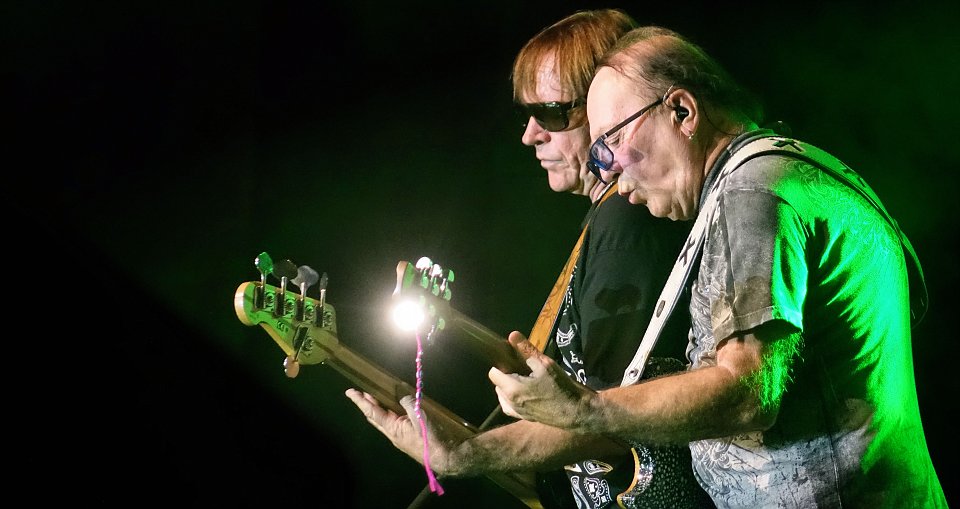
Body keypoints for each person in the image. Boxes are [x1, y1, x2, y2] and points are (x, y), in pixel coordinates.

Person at [485, 26, 947, 507]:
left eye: (614, 141)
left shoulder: (752, 192)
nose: (612, 173)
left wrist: (587, 409)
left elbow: (748, 392)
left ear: (682, 112)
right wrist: (465, 453)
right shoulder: (787, 169)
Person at [347, 10, 710, 509]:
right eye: (527, 116)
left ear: (605, 108)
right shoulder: (608, 222)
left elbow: (608, 416)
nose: (530, 135)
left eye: (553, 114)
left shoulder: (626, 223)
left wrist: (465, 454)